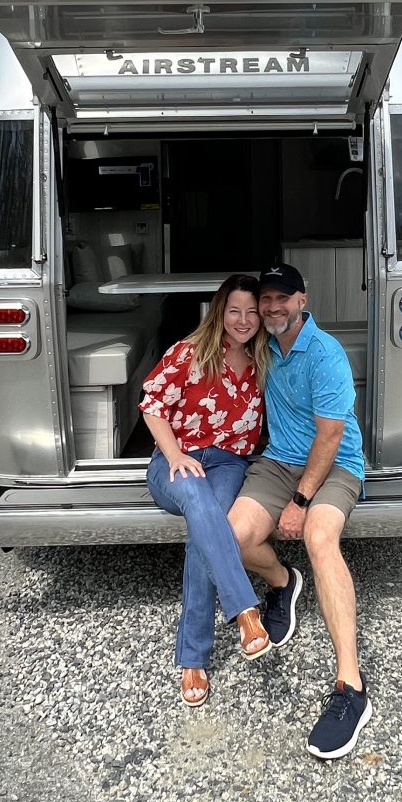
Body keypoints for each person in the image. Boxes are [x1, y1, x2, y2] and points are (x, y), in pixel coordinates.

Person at [228, 263, 372, 759]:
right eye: (266, 299)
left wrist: (301, 502)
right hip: (279, 462)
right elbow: (217, 343)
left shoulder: (326, 354)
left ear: (302, 301)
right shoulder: (263, 346)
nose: (273, 307)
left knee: (318, 538)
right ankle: (283, 582)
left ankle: (351, 687)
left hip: (335, 466)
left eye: (283, 298)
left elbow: (330, 437)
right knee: (232, 537)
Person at [139, 274, 273, 707]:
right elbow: (152, 405)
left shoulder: (263, 358)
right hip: (176, 459)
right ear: (220, 311)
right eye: (234, 310)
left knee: (207, 527)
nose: (243, 320)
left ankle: (193, 659)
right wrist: (175, 454)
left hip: (230, 463)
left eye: (251, 312)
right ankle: (245, 611)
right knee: (199, 500)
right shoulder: (190, 352)